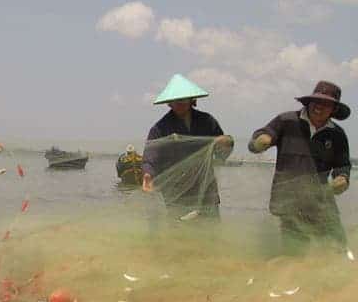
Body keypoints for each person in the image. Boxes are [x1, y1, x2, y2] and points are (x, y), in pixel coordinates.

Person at [248, 81, 350, 252]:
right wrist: (261, 141)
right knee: (295, 250)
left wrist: (343, 178)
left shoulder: (337, 135)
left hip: (321, 201)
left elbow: (342, 165)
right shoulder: (286, 121)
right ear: (308, 102)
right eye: (316, 102)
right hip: (289, 200)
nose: (319, 107)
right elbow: (258, 140)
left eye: (326, 104)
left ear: (334, 109)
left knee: (336, 248)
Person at [141, 74, 234, 218]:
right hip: (176, 190)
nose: (179, 104)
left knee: (210, 230)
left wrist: (225, 143)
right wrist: (148, 174)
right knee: (179, 232)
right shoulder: (160, 128)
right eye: (175, 101)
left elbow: (221, 152)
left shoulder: (207, 121)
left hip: (205, 187)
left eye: (183, 100)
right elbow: (151, 154)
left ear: (192, 100)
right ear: (169, 103)